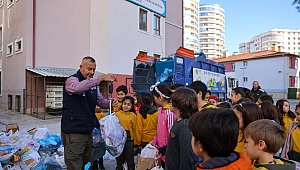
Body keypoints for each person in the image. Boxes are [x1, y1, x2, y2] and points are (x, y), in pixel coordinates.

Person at [61, 56, 118, 170]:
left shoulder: (92, 86)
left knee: (87, 164)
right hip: (74, 132)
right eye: (89, 69)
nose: (92, 72)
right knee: (74, 164)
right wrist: (101, 78)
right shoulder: (72, 80)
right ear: (81, 67)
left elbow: (101, 101)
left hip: (88, 132)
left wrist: (110, 103)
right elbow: (77, 88)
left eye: (94, 69)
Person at [156, 88, 198, 170]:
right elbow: (177, 144)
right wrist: (163, 150)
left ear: (180, 103)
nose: (170, 101)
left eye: (173, 100)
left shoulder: (184, 127)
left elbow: (186, 157)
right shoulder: (179, 121)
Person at [149, 83, 176, 167]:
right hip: (162, 151)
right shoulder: (160, 111)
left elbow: (171, 135)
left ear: (160, 98)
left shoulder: (170, 113)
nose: (153, 100)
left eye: (154, 97)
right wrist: (155, 140)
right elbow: (159, 130)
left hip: (169, 152)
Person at [114, 96, 137, 170]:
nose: (126, 106)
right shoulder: (117, 114)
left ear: (131, 106)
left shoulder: (133, 115)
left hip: (129, 141)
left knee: (130, 160)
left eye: (128, 104)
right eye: (124, 104)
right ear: (122, 104)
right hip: (119, 141)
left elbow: (135, 129)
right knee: (119, 160)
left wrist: (135, 144)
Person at [93, 106, 106, 170]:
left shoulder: (101, 114)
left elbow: (101, 125)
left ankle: (101, 164)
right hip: (92, 136)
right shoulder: (91, 113)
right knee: (93, 151)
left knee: (99, 150)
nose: (96, 107)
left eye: (97, 106)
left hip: (98, 136)